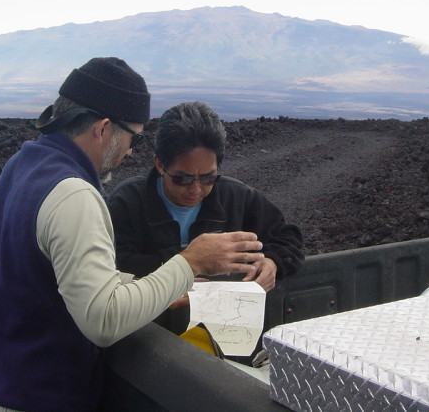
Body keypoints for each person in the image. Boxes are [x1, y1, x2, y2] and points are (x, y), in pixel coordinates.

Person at [0, 58, 264, 412]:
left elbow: (55, 277)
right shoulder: (73, 195)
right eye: (133, 136)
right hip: (36, 399)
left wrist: (151, 290)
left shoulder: (24, 166)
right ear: (104, 128)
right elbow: (103, 321)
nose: (131, 149)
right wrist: (189, 263)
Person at [107, 101, 305, 334]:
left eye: (208, 178)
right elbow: (115, 267)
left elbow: (289, 239)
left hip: (222, 335)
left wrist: (273, 263)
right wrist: (188, 262)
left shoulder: (237, 198)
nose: (196, 189)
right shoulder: (127, 202)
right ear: (159, 164)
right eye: (183, 178)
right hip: (149, 337)